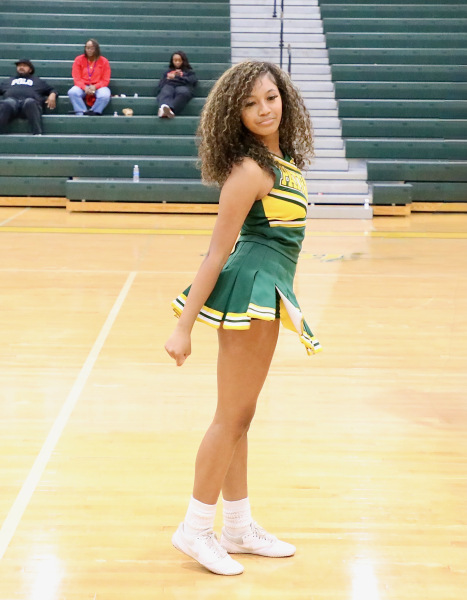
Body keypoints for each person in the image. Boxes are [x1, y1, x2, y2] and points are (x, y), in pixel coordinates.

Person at [165, 61, 321, 576]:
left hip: (268, 289)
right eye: (250, 103)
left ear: (285, 98)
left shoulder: (282, 162)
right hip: (250, 292)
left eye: (270, 97)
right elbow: (216, 252)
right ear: (235, 114)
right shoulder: (250, 170)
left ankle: (237, 525)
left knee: (240, 415)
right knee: (229, 417)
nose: (264, 109)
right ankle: (194, 528)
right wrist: (183, 326)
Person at [0, 59, 57, 135]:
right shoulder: (8, 81)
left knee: (30, 102)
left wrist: (52, 95)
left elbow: (52, 89)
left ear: (30, 70)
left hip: (29, 105)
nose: (21, 67)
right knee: (6, 103)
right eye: (19, 66)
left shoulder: (38, 81)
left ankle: (37, 134)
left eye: (24, 66)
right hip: (12, 104)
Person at [68, 39, 111, 116]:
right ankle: (82, 113)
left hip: (98, 86)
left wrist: (95, 86)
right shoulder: (79, 59)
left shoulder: (104, 61)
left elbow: (105, 80)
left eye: (92, 48)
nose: (89, 50)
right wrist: (84, 87)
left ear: (96, 49)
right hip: (83, 86)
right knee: (72, 92)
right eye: (87, 48)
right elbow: (77, 79)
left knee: (104, 95)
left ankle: (93, 112)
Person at [156, 51, 197, 118]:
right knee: (166, 92)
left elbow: (192, 81)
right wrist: (168, 78)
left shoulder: (189, 72)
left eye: (179, 60)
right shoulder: (167, 72)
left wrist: (177, 77)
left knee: (183, 92)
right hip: (169, 85)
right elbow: (160, 85)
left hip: (183, 86)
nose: (177, 62)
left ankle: (170, 110)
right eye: (175, 60)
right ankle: (164, 108)